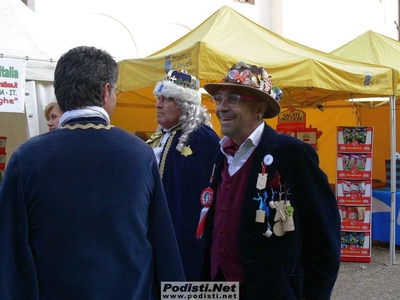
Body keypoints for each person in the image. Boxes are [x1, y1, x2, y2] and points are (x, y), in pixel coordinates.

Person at [0, 46, 185, 300]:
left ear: (60, 93)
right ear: (106, 91)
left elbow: (9, 254)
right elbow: (164, 247)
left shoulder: (27, 158)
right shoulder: (140, 155)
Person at [199, 61, 341, 299]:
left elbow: (325, 240)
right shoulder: (220, 154)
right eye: (219, 99)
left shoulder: (292, 154)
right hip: (218, 286)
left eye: (233, 99)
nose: (221, 108)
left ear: (259, 109)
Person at [146, 69, 220, 281]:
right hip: (161, 238)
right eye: (158, 98)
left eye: (166, 99)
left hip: (188, 244)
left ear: (184, 103)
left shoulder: (203, 140)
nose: (158, 104)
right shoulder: (161, 137)